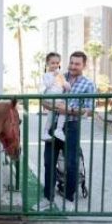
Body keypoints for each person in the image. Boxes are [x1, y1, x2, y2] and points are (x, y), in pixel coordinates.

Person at [51, 51, 96, 205]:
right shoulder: (59, 77)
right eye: (71, 62)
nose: (73, 66)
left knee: (71, 162)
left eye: (77, 64)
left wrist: (69, 110)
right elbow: (46, 94)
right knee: (49, 160)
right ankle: (49, 193)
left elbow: (89, 110)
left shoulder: (88, 84)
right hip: (53, 122)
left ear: (84, 65)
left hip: (72, 125)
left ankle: (69, 195)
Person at [39, 52, 71, 204]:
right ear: (47, 63)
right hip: (51, 97)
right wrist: (54, 76)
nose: (55, 65)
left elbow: (65, 85)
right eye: (52, 63)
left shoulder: (61, 75)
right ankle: (46, 132)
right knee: (54, 113)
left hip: (58, 98)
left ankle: (55, 130)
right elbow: (46, 85)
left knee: (58, 114)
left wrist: (65, 84)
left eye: (57, 63)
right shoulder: (47, 75)